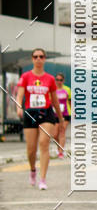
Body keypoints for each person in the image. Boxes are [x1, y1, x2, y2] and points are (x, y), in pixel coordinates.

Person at [16, 49, 64, 190]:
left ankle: (42, 179)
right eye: (35, 56)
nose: (38, 59)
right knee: (31, 150)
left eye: (41, 56)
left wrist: (60, 118)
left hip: (46, 113)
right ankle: (32, 170)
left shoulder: (49, 79)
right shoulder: (25, 76)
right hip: (30, 113)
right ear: (32, 59)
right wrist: (19, 107)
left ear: (44, 59)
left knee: (44, 143)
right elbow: (19, 95)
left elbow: (55, 100)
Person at [54, 73, 71, 158]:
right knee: (55, 134)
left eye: (61, 80)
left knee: (62, 131)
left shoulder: (67, 89)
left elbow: (70, 101)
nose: (59, 81)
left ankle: (61, 152)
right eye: (57, 79)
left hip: (66, 113)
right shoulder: (53, 90)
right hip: (55, 114)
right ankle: (59, 148)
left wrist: (73, 111)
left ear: (63, 81)